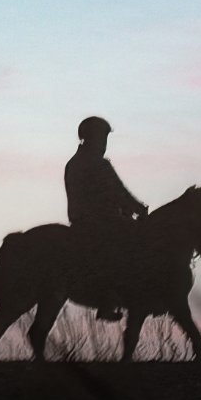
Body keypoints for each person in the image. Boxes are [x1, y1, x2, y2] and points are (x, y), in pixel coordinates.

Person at [65, 115, 147, 321]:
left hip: (80, 221)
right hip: (101, 221)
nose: (104, 143)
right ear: (91, 137)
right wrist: (139, 209)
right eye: (102, 137)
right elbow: (119, 193)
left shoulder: (74, 163)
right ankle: (111, 298)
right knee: (136, 244)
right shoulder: (97, 164)